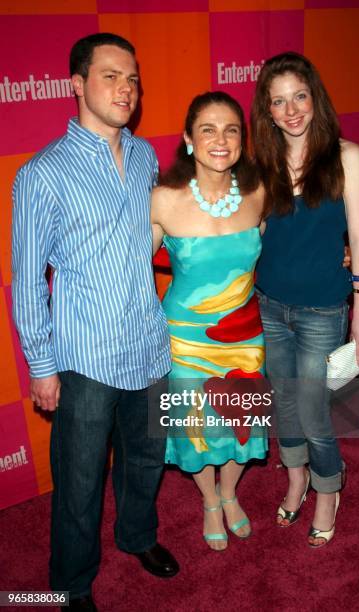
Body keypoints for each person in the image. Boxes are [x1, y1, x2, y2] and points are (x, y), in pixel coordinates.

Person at [12, 33, 178, 612]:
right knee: (80, 482)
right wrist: (41, 365)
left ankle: (137, 537)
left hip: (149, 345)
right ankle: (71, 584)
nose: (126, 88)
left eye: (131, 77)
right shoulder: (41, 174)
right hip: (85, 356)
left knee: (147, 457)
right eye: (111, 76)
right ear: (78, 85)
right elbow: (28, 278)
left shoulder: (145, 158)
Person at [251, 52, 359, 547]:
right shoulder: (263, 162)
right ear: (268, 110)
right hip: (269, 304)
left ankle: (328, 489)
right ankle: (296, 477)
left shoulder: (346, 156)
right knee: (284, 404)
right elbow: (255, 234)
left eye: (298, 96)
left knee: (312, 408)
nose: (291, 110)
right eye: (278, 102)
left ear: (314, 98)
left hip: (324, 307)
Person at [151, 91, 268, 551]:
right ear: (187, 139)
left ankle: (230, 492)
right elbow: (131, 270)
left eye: (231, 129)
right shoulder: (163, 200)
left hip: (243, 334)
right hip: (184, 338)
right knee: (192, 423)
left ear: (242, 140)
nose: (221, 140)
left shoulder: (258, 195)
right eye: (208, 129)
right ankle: (209, 501)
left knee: (243, 418)